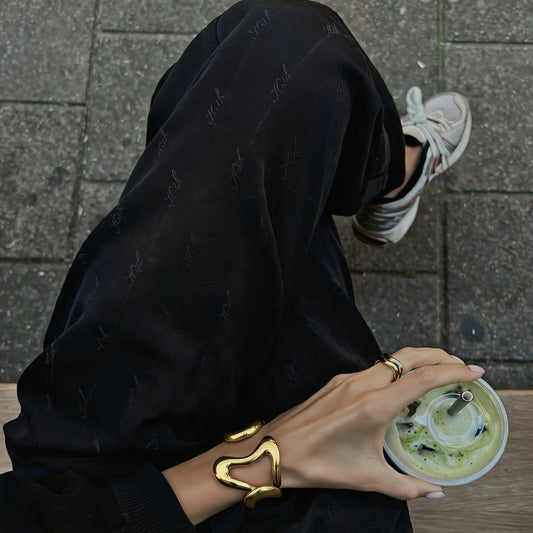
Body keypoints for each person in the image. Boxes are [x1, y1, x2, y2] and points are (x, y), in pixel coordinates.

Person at [0, 1, 479, 531]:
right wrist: (266, 459)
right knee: (279, 213)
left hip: (75, 486)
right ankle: (391, 177)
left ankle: (387, 179)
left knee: (290, 45)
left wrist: (265, 454)